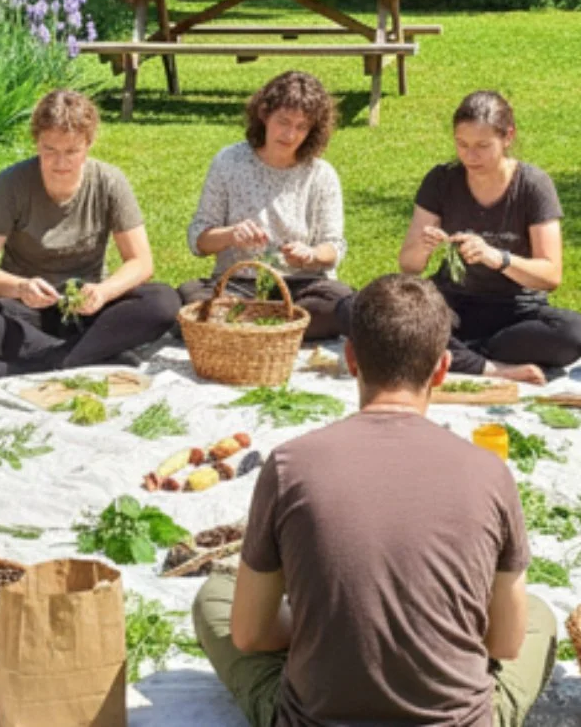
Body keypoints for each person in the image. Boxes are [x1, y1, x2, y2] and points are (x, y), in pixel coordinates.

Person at [193, 273, 557, 726]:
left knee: (215, 597)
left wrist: (320, 629)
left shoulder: (290, 465)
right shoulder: (489, 472)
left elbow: (249, 634)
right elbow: (504, 644)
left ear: (350, 359)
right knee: (536, 616)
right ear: (442, 369)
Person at [0, 89, 180, 376]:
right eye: (49, 150)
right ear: (36, 142)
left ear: (89, 144)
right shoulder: (11, 184)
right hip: (26, 312)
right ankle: (93, 354)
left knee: (163, 302)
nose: (60, 163)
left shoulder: (109, 181)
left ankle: (39, 360)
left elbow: (141, 262)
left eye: (72, 151)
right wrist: (21, 288)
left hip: (89, 309)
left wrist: (103, 291)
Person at [393, 90, 581, 384]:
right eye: (462, 144)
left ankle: (455, 353)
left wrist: (498, 258)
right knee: (375, 311)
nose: (470, 156)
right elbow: (409, 266)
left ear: (508, 137)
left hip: (515, 311)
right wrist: (422, 247)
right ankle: (494, 368)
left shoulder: (533, 185)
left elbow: (551, 274)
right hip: (453, 303)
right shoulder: (442, 180)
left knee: (574, 333)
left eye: (483, 146)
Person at [179, 71, 352, 341]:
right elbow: (198, 240)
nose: (290, 134)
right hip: (239, 284)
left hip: (301, 286)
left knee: (342, 302)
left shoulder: (320, 174)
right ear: (264, 114)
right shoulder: (229, 161)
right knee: (192, 299)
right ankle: (278, 328)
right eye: (283, 122)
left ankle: (249, 329)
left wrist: (310, 254)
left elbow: (334, 247)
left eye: (302, 127)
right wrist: (231, 235)